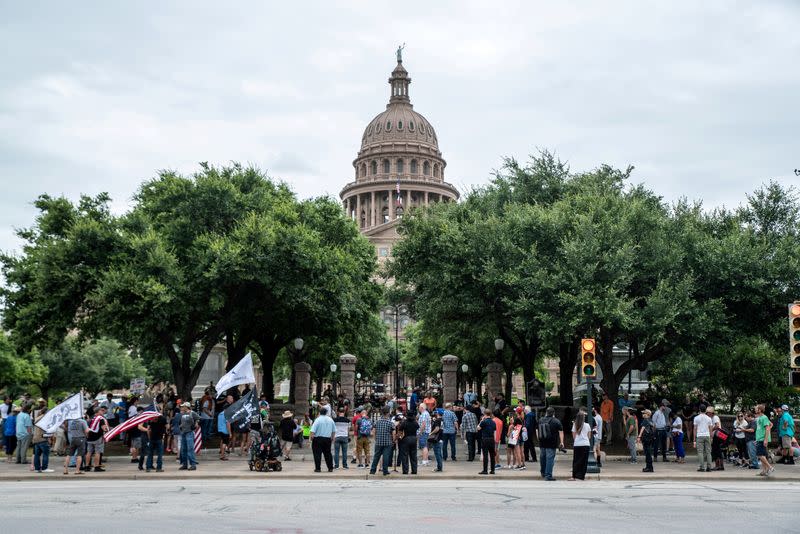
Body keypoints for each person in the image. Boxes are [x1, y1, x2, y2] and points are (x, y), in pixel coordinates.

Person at [538, 406, 564, 481]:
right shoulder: (556, 421)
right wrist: (562, 442)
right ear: (553, 413)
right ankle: (548, 475)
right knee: (550, 459)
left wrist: (539, 439)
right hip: (551, 443)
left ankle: (543, 473)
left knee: (542, 458)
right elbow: (561, 432)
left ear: (546, 412)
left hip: (542, 442)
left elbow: (537, 431)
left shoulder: (541, 420)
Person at [368, 406, 394, 476]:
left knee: (376, 456)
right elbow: (393, 433)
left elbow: (373, 431)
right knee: (386, 457)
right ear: (388, 413)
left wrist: (375, 438)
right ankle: (385, 471)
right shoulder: (390, 423)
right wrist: (393, 440)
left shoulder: (377, 421)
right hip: (387, 442)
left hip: (378, 442)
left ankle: (372, 470)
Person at [309, 407, 336, 472]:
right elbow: (334, 430)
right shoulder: (330, 420)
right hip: (327, 439)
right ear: (326, 412)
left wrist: (311, 438)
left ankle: (318, 468)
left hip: (318, 439)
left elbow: (312, 430)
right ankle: (330, 467)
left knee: (317, 454)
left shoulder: (317, 420)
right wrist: (332, 437)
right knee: (328, 454)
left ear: (319, 412)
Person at [85, 405, 109, 472]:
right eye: (101, 410)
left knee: (89, 452)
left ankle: (87, 466)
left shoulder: (90, 418)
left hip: (89, 437)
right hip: (97, 437)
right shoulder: (101, 419)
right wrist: (108, 430)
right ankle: (96, 467)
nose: (102, 412)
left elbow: (87, 428)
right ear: (98, 411)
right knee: (97, 452)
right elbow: (104, 428)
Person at [177, 402, 199, 470]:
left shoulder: (192, 413)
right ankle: (185, 464)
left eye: (183, 406)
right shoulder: (183, 413)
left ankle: (193, 464)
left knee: (190, 449)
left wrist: (196, 423)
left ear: (187, 406)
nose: (182, 407)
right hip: (183, 432)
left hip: (189, 432)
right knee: (183, 449)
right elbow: (181, 422)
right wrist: (180, 426)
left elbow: (198, 418)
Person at [570, 410, 591, 480]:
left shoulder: (574, 425)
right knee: (584, 461)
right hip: (585, 444)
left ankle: (574, 476)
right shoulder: (587, 425)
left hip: (577, 444)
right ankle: (581, 476)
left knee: (576, 460)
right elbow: (589, 436)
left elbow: (573, 436)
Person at [32, 407, 54, 473]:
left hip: (36, 438)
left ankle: (37, 468)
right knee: (45, 454)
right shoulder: (45, 418)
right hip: (43, 438)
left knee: (37, 454)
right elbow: (46, 429)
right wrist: (49, 438)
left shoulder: (37, 418)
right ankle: (44, 468)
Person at [754, 404, 774, 476]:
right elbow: (771, 424)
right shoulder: (760, 417)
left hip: (762, 439)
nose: (755, 409)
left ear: (760, 410)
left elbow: (767, 427)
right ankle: (764, 471)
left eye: (756, 408)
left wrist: (766, 439)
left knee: (759, 455)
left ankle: (770, 467)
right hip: (759, 438)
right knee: (762, 455)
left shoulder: (764, 417)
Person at [145, 408, 167, 472]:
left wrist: (149, 438)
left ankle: (148, 467)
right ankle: (158, 468)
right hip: (159, 438)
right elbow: (167, 426)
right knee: (160, 454)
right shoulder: (163, 418)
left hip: (152, 438)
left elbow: (148, 429)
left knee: (150, 453)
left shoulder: (150, 419)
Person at [693, 405, 713, 472]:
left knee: (700, 452)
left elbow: (695, 429)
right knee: (708, 452)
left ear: (699, 409)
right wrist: (711, 437)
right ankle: (709, 467)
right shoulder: (709, 418)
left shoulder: (696, 418)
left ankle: (702, 467)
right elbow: (710, 429)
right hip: (707, 435)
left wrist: (694, 439)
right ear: (706, 410)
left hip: (699, 436)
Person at [477, 409, 497, 475]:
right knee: (492, 455)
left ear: (485, 414)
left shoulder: (484, 421)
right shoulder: (493, 422)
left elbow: (478, 428)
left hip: (485, 439)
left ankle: (485, 470)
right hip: (492, 439)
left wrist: (481, 420)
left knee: (485, 455)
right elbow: (495, 432)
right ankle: (492, 470)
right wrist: (495, 441)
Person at [708, 406, 724, 471]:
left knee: (716, 450)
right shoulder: (712, 418)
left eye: (708, 412)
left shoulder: (715, 417)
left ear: (711, 412)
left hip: (717, 436)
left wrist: (710, 430)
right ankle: (720, 465)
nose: (707, 414)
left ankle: (718, 465)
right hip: (715, 436)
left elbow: (717, 425)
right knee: (717, 450)